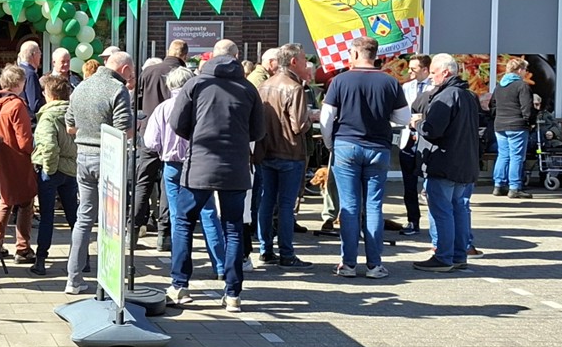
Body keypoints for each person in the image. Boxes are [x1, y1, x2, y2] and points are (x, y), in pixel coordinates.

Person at [167, 40, 265, 311]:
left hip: (200, 162)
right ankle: (233, 293)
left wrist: (196, 136)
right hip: (235, 166)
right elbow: (258, 131)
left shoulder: (197, 84)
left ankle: (179, 286)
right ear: (236, 57)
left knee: (184, 222)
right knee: (233, 227)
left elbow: (176, 123)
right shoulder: (248, 88)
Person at [319, 36, 410, 279]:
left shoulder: (339, 81)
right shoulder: (391, 82)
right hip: (378, 147)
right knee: (373, 206)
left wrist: (331, 145)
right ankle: (374, 265)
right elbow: (403, 119)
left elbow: (326, 119)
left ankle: (348, 264)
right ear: (374, 54)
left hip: (346, 145)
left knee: (349, 207)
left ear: (356, 53)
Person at [64, 51, 134, 296]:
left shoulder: (81, 87)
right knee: (111, 220)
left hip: (82, 156)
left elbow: (70, 126)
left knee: (84, 218)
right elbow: (124, 129)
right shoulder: (117, 89)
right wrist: (139, 123)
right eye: (131, 72)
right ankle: (109, 280)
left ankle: (73, 278)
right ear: (124, 69)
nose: (132, 76)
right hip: (108, 158)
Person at [413, 54, 482, 270]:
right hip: (464, 162)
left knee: (442, 210)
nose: (431, 77)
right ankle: (459, 255)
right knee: (459, 209)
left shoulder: (445, 96)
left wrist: (418, 123)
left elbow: (433, 130)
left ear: (445, 72)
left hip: (444, 162)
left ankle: (443, 256)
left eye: (433, 72)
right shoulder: (468, 95)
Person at [255, 45, 313, 269]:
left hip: (266, 151)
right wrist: (310, 118)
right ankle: (287, 253)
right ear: (293, 62)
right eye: (302, 59)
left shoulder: (263, 85)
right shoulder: (294, 88)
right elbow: (298, 125)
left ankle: (265, 250)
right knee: (286, 205)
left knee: (267, 202)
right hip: (289, 152)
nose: (306, 64)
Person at [134, 39, 190, 250]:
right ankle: (164, 235)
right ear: (184, 55)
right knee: (169, 186)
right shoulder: (187, 77)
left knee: (143, 183)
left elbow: (135, 105)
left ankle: (133, 230)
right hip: (178, 138)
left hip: (148, 134)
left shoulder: (148, 72)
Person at [0, 65, 36, 262]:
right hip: (18, 160)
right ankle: (22, 248)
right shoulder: (16, 105)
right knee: (26, 202)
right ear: (19, 83)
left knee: (5, 200)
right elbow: (24, 141)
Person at [30, 74, 78, 277]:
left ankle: (41, 259)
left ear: (48, 95)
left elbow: (48, 146)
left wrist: (49, 169)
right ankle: (80, 259)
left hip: (52, 170)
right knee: (74, 217)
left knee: (47, 216)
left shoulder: (48, 117)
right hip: (71, 169)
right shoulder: (74, 113)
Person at [490, 56, 536, 199]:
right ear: (520, 70)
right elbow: (527, 107)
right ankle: (514, 187)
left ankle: (498, 185)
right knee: (516, 156)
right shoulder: (522, 86)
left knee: (503, 155)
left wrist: (497, 118)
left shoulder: (499, 86)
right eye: (525, 70)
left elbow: (492, 105)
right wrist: (530, 121)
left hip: (500, 124)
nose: (526, 73)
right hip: (517, 125)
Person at [396, 55, 431, 235]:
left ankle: (436, 224)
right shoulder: (406, 87)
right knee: (409, 184)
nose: (409, 72)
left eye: (414, 69)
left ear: (425, 70)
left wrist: (422, 120)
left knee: (431, 185)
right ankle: (412, 220)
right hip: (408, 138)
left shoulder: (436, 87)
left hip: (428, 140)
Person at [17, 41, 46, 114]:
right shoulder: (30, 74)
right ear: (34, 55)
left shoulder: (17, 70)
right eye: (39, 53)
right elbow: (34, 105)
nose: (40, 56)